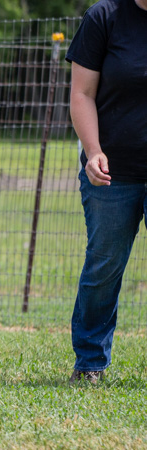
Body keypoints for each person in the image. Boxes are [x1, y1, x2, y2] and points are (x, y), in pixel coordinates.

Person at [65, 0, 147, 385]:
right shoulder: (104, 17)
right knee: (104, 268)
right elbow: (81, 93)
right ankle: (90, 362)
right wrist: (93, 151)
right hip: (112, 173)